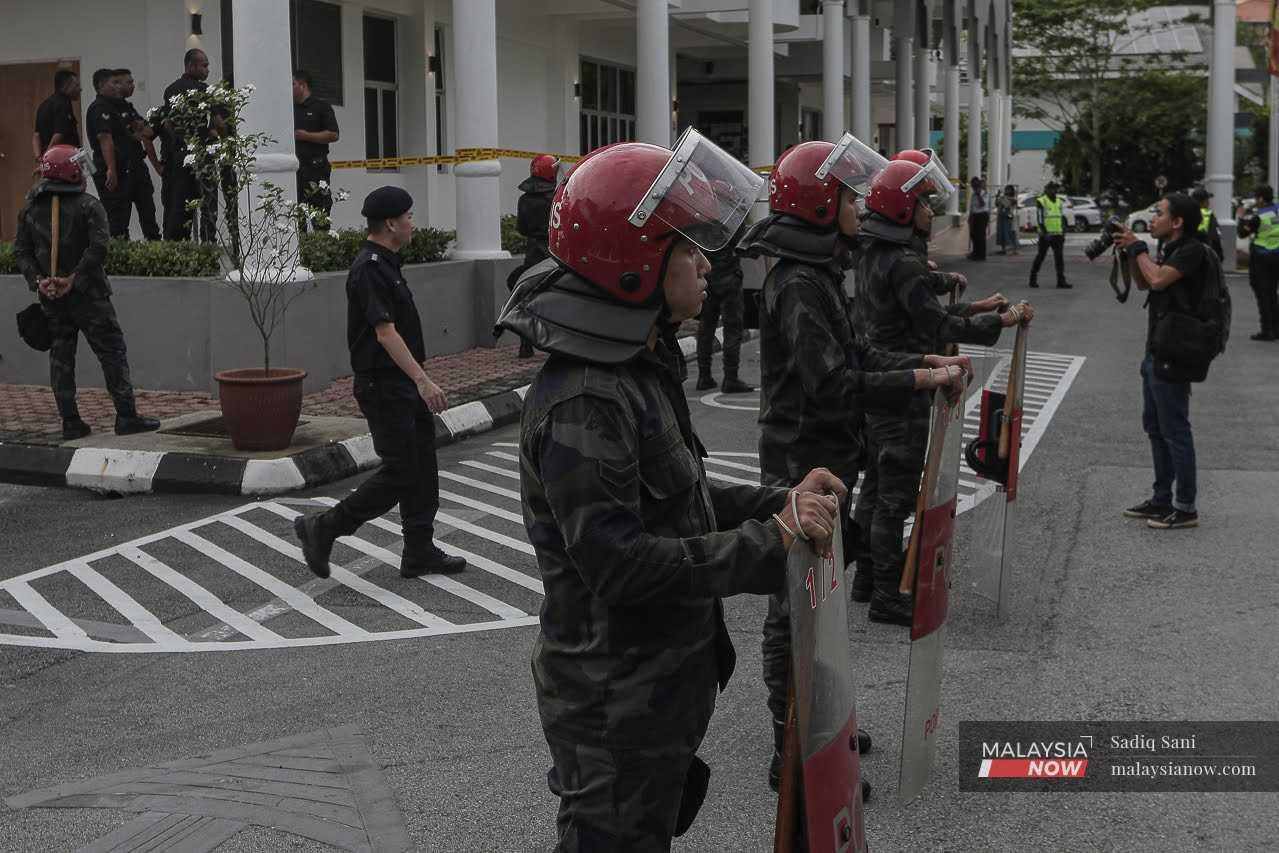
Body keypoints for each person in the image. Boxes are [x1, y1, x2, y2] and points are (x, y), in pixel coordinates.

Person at [496, 131, 847, 852]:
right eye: (686, 248)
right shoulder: (586, 398)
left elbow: (679, 499)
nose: (700, 262)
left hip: (653, 689)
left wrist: (778, 501)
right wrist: (769, 543)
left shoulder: (631, 368)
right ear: (634, 267)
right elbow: (618, 563)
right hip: (612, 702)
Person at [736, 136, 970, 790]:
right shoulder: (801, 283)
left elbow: (860, 357)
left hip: (827, 458)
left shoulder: (816, 273)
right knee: (795, 609)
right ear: (815, 204)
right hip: (799, 463)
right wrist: (916, 379)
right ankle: (796, 752)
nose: (857, 204)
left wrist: (926, 368)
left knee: (823, 603)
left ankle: (821, 721)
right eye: (844, 194)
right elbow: (833, 381)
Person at [852, 149, 1034, 624]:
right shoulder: (903, 263)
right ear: (900, 210)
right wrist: (1002, 319)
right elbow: (933, 324)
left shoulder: (875, 251)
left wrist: (973, 307)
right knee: (895, 491)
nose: (930, 212)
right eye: (924, 204)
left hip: (879, 377)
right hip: (907, 378)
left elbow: (916, 307)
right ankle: (887, 595)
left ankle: (869, 577)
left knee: (876, 483)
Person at [294, 187, 466, 579]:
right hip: (384, 386)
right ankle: (324, 527)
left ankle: (419, 549)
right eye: (408, 216)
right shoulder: (370, 267)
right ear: (390, 223)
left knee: (422, 467)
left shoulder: (387, 263)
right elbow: (385, 333)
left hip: (400, 383)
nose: (413, 223)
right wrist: (423, 381)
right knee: (401, 470)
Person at [13, 146, 161, 440]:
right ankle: (126, 416)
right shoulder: (88, 205)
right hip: (90, 297)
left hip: (52, 298)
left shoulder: (29, 209)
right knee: (112, 352)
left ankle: (71, 422)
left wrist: (39, 281)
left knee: (61, 358)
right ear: (71, 171)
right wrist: (75, 278)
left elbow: (22, 251)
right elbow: (100, 248)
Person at [1114, 194, 1214, 530]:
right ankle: (1160, 500)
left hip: (1176, 352)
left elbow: (1157, 280)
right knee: (1156, 428)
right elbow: (1145, 282)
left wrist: (1138, 248)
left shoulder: (1191, 250)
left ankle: (1185, 507)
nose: (1152, 218)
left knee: (1175, 430)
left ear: (1177, 222)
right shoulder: (1169, 250)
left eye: (1159, 213)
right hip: (1157, 350)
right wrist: (1131, 254)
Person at [156, 48, 221, 241]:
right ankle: (208, 244)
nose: (207, 70)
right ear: (191, 65)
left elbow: (168, 123)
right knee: (208, 204)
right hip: (202, 154)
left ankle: (180, 246)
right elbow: (218, 122)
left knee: (180, 204)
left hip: (179, 155)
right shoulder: (205, 90)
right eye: (204, 65)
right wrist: (219, 135)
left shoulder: (170, 90)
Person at [507, 154, 558, 358]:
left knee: (526, 297)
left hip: (532, 256)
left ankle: (525, 344)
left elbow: (521, 228)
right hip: (553, 254)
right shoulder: (556, 198)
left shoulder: (524, 200)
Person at [695, 241, 753, 393]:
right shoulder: (732, 221)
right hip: (729, 278)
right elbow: (745, 247)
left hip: (707, 279)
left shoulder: (701, 220)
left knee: (705, 329)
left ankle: (704, 377)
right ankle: (731, 378)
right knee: (733, 329)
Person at [113, 69, 162, 241]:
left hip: (138, 168)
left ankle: (155, 247)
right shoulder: (106, 109)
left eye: (133, 82)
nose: (133, 86)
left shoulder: (128, 107)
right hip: (121, 170)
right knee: (121, 221)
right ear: (116, 84)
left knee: (149, 215)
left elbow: (146, 131)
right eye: (129, 82)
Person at [85, 68, 132, 238]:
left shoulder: (112, 107)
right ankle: (115, 254)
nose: (118, 87)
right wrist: (111, 169)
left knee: (122, 215)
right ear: (101, 85)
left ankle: (122, 248)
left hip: (119, 167)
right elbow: (105, 138)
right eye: (114, 83)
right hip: (108, 169)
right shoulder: (100, 108)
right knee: (115, 215)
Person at [292, 69, 339, 231]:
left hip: (316, 169)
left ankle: (322, 249)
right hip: (295, 170)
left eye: (293, 84)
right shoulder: (290, 109)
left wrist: (306, 136)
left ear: (303, 85)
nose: (290, 88)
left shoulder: (321, 107)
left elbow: (333, 134)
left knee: (320, 215)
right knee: (296, 218)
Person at [1235, 185, 1279, 342]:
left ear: (1261, 198)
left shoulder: (1259, 217)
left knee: (1263, 293)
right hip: (1277, 256)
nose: (1255, 201)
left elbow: (1242, 233)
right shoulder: (1277, 209)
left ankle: (1267, 331)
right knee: (1273, 292)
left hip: (1261, 258)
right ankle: (1276, 328)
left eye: (1256, 197)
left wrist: (1240, 217)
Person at [32, 69, 81, 162]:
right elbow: (58, 134)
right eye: (77, 85)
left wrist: (39, 157)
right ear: (67, 86)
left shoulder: (44, 105)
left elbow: (36, 135)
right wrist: (47, 158)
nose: (80, 89)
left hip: (51, 161)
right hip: (62, 161)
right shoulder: (64, 103)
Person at [1029, 182, 1070, 288]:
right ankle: (1032, 278)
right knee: (1041, 256)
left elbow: (1060, 217)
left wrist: (1063, 231)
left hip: (1058, 234)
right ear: (1046, 190)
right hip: (1045, 235)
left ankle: (1061, 281)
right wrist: (1045, 233)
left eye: (1055, 189)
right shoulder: (1042, 201)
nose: (1054, 191)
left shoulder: (1059, 201)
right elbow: (1040, 219)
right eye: (1051, 189)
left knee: (1059, 258)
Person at [1191, 187, 1223, 262]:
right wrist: (1220, 255)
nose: (1208, 202)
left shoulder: (1187, 213)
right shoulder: (1208, 214)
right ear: (1202, 201)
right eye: (1207, 200)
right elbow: (1215, 237)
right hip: (1205, 253)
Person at [967, 175, 989, 260]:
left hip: (982, 215)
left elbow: (982, 204)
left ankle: (981, 255)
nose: (973, 187)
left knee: (980, 236)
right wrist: (970, 217)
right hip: (975, 216)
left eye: (974, 185)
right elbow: (972, 207)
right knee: (973, 235)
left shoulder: (984, 193)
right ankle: (975, 252)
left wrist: (979, 194)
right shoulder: (973, 195)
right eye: (972, 185)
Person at [996, 184, 1020, 255]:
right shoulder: (1002, 197)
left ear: (1011, 190)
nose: (1007, 191)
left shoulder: (1013, 199)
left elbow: (1008, 205)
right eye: (1006, 189)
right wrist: (997, 197)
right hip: (1001, 217)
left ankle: (1015, 249)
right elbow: (997, 204)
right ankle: (1003, 249)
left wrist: (1003, 200)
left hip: (1009, 217)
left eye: (1008, 189)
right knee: (1001, 233)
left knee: (1011, 233)